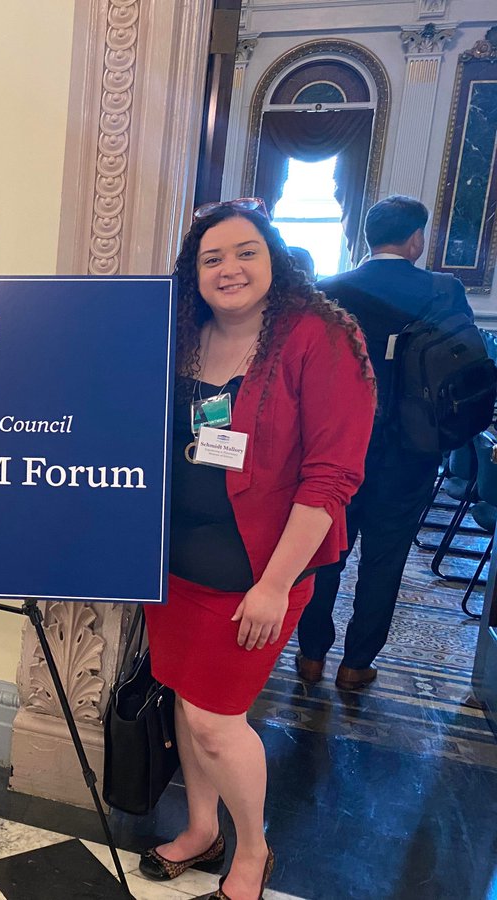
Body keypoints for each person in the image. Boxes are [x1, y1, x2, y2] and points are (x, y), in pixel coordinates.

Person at [139, 199, 374, 900]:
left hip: (259, 570)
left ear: (274, 258)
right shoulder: (187, 333)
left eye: (246, 252)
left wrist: (275, 585)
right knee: (187, 701)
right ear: (195, 272)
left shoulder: (320, 337)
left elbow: (333, 475)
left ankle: (253, 852)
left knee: (217, 719)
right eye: (211, 258)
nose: (229, 268)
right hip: (175, 562)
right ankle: (203, 828)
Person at [297, 196, 475, 689]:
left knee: (324, 552)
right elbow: (465, 371)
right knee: (386, 558)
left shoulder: (330, 290)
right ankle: (356, 665)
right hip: (412, 449)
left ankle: (311, 655)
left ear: (367, 237)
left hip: (336, 448)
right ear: (415, 238)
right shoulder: (444, 289)